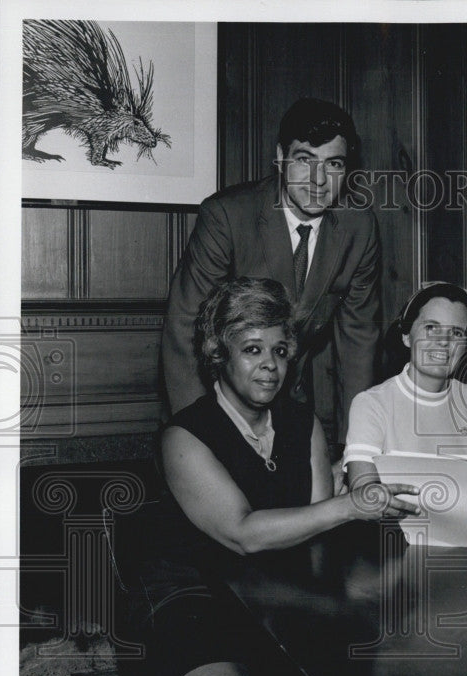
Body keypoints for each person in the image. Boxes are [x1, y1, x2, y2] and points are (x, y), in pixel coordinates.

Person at [139, 277, 417, 676]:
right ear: (217, 356)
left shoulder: (302, 423)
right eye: (252, 349)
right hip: (197, 590)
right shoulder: (182, 436)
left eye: (281, 350)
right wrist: (347, 504)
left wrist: (341, 497)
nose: (271, 364)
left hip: (281, 586)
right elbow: (241, 533)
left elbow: (315, 527)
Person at [161, 97, 380, 461]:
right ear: (280, 158)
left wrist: (357, 448)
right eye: (305, 160)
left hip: (292, 408)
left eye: (334, 164)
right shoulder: (227, 216)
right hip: (216, 400)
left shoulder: (360, 227)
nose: (319, 180)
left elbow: (359, 342)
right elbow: (184, 329)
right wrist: (204, 436)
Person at [344, 283, 467, 489]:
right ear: (406, 336)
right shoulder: (371, 404)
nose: (444, 341)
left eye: (456, 333)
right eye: (431, 328)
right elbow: (364, 494)